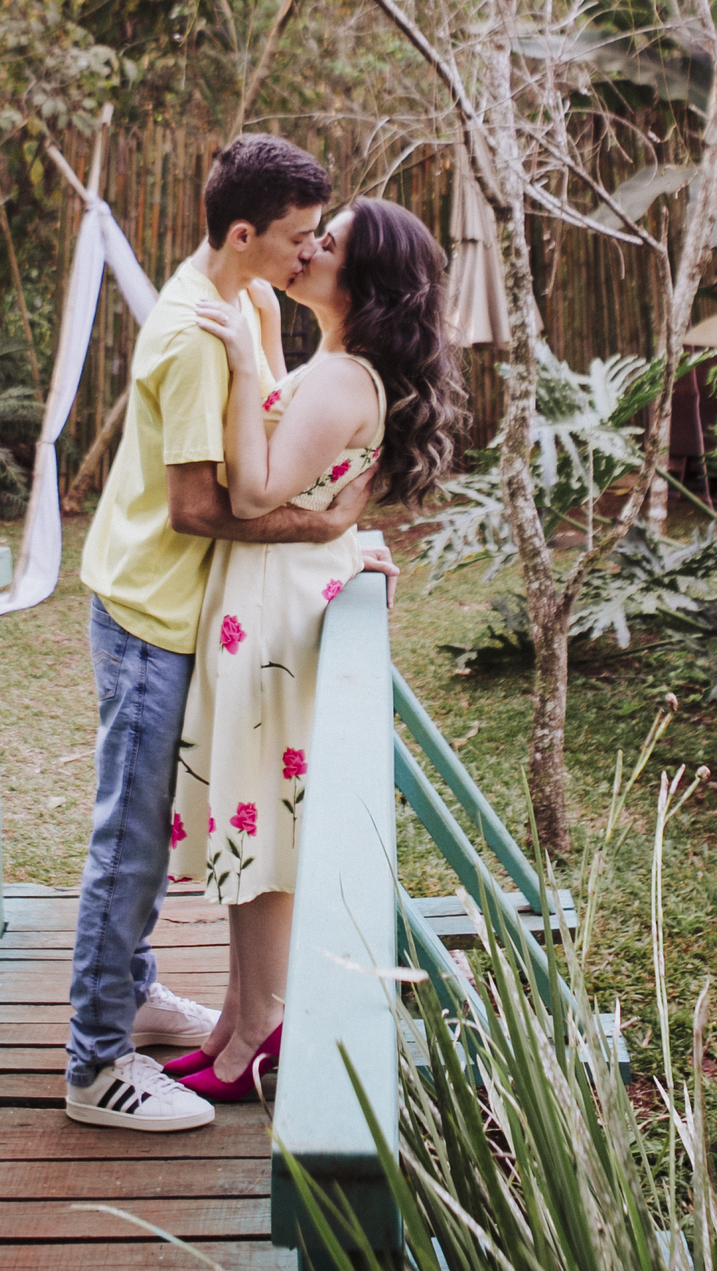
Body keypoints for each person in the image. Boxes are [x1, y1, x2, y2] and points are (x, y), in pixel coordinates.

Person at [65, 135, 385, 1134]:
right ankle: (95, 1064)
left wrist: (343, 535)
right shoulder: (197, 335)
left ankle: (134, 991)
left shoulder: (245, 299)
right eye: (298, 236)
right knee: (129, 845)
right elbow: (204, 507)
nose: (308, 252)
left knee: (146, 833)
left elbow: (278, 433)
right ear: (245, 234)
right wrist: (323, 529)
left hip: (179, 607)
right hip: (153, 615)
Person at [165, 196, 464, 1100]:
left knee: (255, 829)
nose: (306, 249)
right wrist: (263, 341)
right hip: (271, 597)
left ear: (362, 280)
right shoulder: (336, 367)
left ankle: (260, 1031)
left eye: (326, 243)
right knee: (250, 828)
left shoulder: (341, 379)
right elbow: (292, 463)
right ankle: (238, 1018)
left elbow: (256, 493)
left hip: (272, 613)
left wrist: (244, 357)